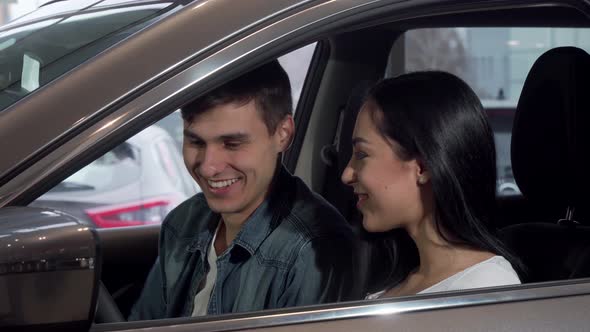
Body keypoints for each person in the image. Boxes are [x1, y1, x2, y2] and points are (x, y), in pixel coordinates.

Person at [129, 60, 356, 319]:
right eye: (195, 141)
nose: (208, 167)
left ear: (283, 134)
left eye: (232, 143)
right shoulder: (183, 222)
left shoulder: (313, 250)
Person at [341, 71, 522, 298]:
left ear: (423, 167)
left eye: (361, 154)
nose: (346, 174)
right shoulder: (390, 282)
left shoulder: (488, 289)